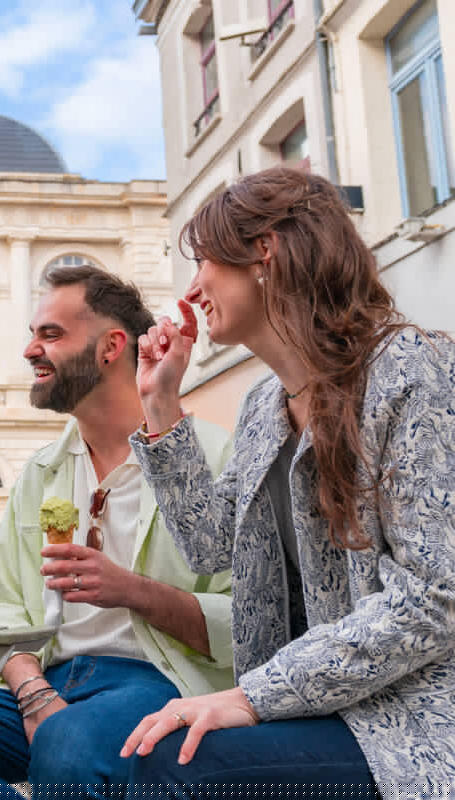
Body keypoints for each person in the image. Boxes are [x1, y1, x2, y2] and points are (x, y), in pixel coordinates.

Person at [122, 167, 455, 797]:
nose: (193, 288)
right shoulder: (262, 405)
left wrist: (252, 696)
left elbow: (432, 599)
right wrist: (161, 402)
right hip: (315, 706)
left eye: (206, 261)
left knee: (177, 767)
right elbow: (213, 548)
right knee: (154, 751)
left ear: (263, 252)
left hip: (409, 719)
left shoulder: (411, 372)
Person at [0, 266, 234, 799]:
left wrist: (131, 589)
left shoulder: (211, 456)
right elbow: (0, 605)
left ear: (112, 346)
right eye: (32, 334)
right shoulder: (41, 471)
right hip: (47, 677)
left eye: (51, 335)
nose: (29, 350)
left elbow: (246, 621)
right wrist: (31, 689)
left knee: (68, 748)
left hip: (159, 681)